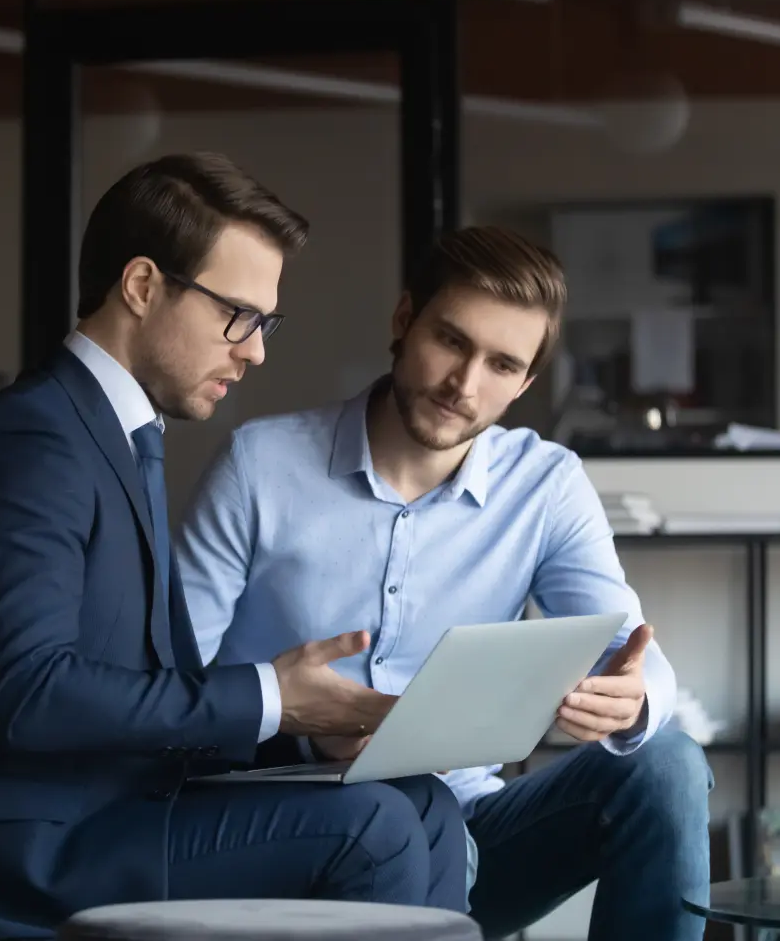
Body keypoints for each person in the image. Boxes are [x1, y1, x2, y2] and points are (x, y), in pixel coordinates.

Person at [0, 152, 469, 941]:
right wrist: (269, 695)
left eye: (265, 322)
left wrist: (300, 727)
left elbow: (135, 692)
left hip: (117, 808)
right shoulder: (31, 440)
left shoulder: (113, 438)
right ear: (140, 286)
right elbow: (26, 693)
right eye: (238, 315)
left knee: (424, 803)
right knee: (372, 826)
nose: (256, 350)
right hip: (25, 846)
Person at [176, 225, 714, 941]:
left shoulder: (547, 485)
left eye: (501, 364)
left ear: (525, 382)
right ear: (404, 321)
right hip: (284, 822)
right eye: (452, 342)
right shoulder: (259, 466)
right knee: (407, 819)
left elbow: (633, 652)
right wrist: (300, 729)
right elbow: (169, 689)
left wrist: (632, 698)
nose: (465, 385)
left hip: (463, 825)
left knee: (667, 764)